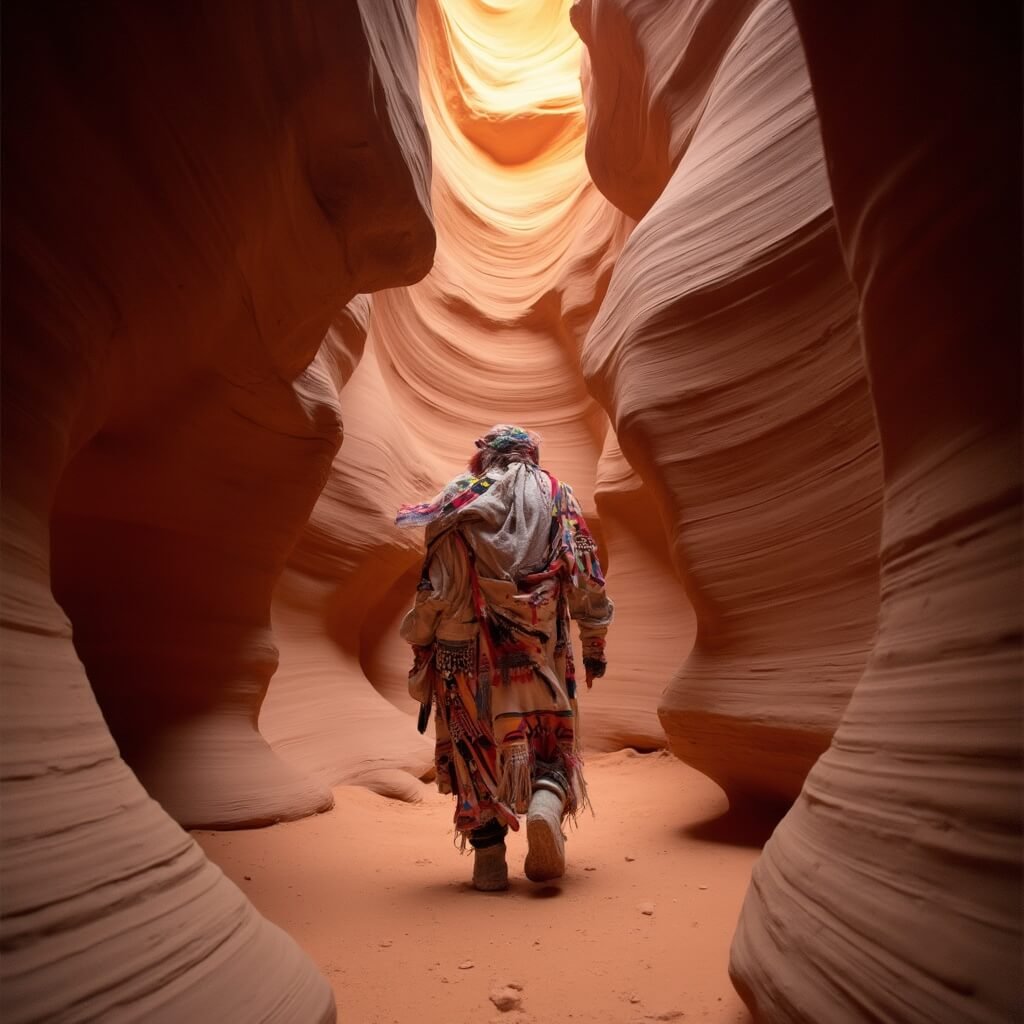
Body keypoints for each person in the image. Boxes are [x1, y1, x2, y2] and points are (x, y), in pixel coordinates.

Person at [395, 425, 613, 891]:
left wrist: (423, 644)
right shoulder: (557, 496)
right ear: (532, 455)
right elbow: (586, 575)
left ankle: (489, 863)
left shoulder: (458, 497)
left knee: (473, 752)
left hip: (462, 655)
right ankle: (544, 806)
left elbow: (436, 586)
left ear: (484, 458)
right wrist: (593, 642)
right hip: (537, 650)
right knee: (546, 744)